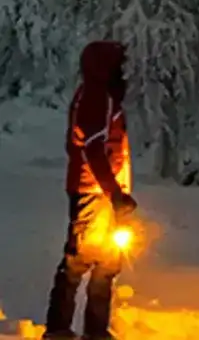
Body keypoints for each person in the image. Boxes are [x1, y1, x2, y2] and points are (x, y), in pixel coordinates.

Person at [45, 40, 139, 340]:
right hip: (94, 194)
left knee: (107, 262)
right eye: (119, 65)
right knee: (79, 261)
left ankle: (95, 331)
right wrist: (114, 194)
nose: (124, 71)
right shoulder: (97, 96)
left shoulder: (99, 95)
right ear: (106, 68)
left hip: (99, 193)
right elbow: (94, 150)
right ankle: (60, 330)